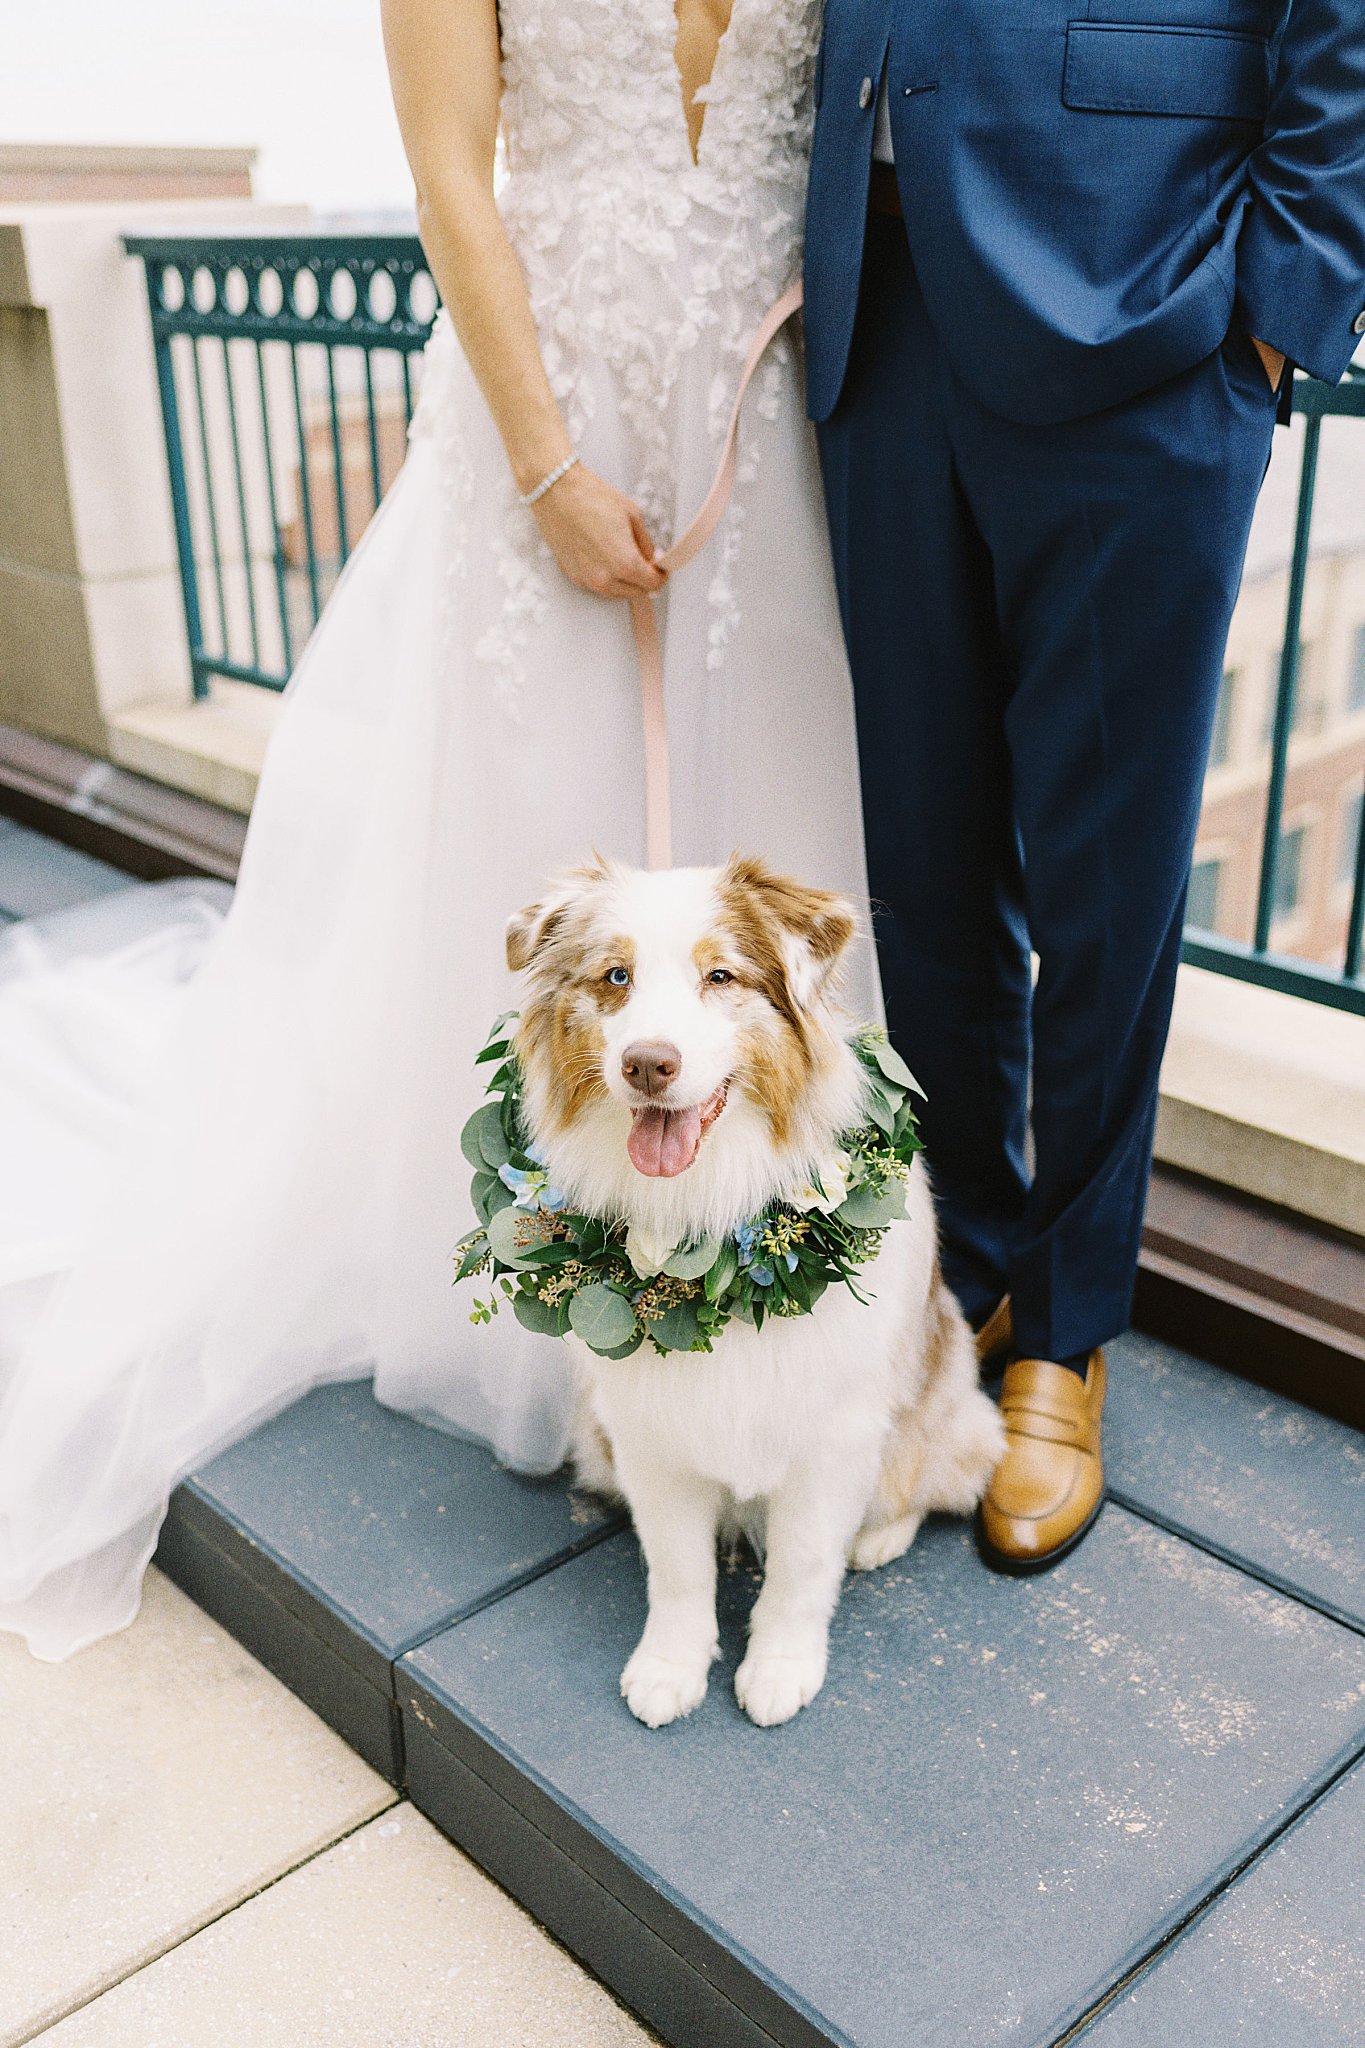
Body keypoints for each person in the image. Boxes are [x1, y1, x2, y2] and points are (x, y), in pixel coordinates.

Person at [0, 0, 877, 1659]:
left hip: (768, 432)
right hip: (545, 423)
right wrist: (548, 470)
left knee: (767, 849)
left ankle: (779, 1257)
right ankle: (551, 1284)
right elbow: (448, 178)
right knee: (534, 833)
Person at [805, 0, 1365, 1571]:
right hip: (880, 307)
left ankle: (1063, 1326)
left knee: (1104, 888)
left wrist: (1273, 313)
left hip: (1143, 309)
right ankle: (961, 1268)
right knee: (920, 859)